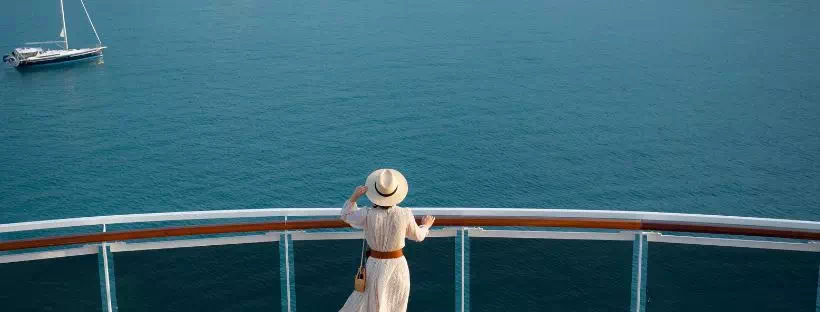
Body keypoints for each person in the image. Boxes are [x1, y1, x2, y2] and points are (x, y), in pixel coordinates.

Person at [339, 169, 436, 312]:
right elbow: (418, 236)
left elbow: (345, 215)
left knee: (372, 304)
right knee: (395, 304)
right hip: (398, 266)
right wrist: (426, 226)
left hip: (374, 265)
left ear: (375, 193)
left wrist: (355, 196)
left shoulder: (367, 214)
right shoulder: (404, 214)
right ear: (396, 193)